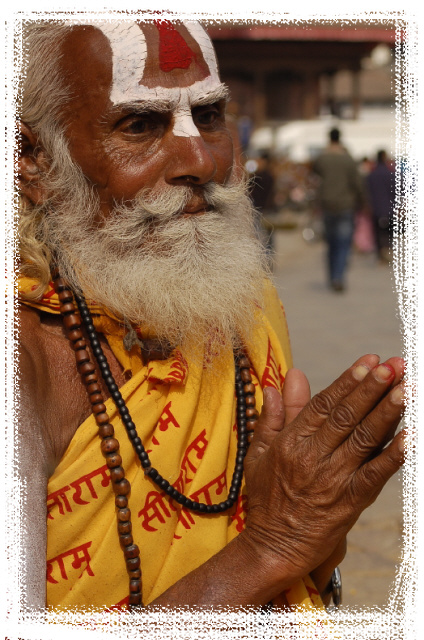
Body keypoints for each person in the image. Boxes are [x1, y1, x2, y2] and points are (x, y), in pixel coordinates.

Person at [17, 19, 405, 614]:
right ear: (34, 163)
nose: (199, 159)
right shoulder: (23, 353)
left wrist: (306, 535)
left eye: (209, 116)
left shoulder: (238, 305)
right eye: (140, 125)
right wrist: (274, 545)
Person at [313, 128, 365, 292]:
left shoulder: (322, 158)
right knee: (343, 244)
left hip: (327, 205)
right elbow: (357, 183)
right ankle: (338, 277)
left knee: (331, 243)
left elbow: (315, 173)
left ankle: (332, 276)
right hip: (345, 205)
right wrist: (363, 202)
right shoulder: (348, 160)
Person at [367, 150, 395, 263]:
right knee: (389, 232)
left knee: (378, 233)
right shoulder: (391, 174)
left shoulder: (371, 175)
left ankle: (381, 254)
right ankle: (388, 250)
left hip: (375, 208)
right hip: (390, 208)